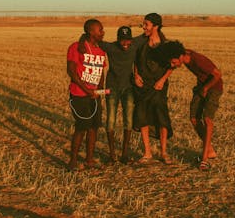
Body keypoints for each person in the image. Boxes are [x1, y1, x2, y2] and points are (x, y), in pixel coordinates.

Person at [156, 40, 223, 171]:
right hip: (202, 86)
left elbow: (217, 74)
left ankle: (204, 160)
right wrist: (162, 80)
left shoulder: (197, 60)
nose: (172, 64)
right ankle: (210, 150)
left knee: (207, 119)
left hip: (214, 87)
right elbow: (171, 67)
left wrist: (206, 88)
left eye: (174, 62)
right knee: (193, 118)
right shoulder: (184, 56)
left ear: (180, 56)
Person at [133, 13, 174, 165]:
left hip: (159, 85)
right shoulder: (140, 43)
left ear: (155, 26)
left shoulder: (165, 44)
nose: (143, 27)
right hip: (143, 85)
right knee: (142, 115)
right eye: (143, 24)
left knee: (161, 117)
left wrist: (162, 80)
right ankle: (147, 152)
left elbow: (173, 65)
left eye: (146, 24)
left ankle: (163, 152)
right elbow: (135, 61)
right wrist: (136, 75)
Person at [67, 19, 107, 171]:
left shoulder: (100, 49)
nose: (103, 32)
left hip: (94, 96)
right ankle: (73, 161)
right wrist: (87, 90)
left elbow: (101, 70)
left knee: (94, 127)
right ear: (91, 32)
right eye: (100, 30)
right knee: (82, 127)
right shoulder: (76, 47)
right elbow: (71, 71)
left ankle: (89, 160)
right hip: (79, 95)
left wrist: (99, 90)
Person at [102, 26, 146, 164]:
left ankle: (125, 154)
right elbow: (94, 40)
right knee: (110, 120)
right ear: (117, 39)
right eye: (122, 41)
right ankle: (112, 154)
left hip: (128, 88)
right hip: (112, 87)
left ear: (131, 39)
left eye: (128, 41)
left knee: (129, 120)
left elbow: (148, 34)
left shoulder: (134, 44)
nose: (126, 44)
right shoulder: (110, 47)